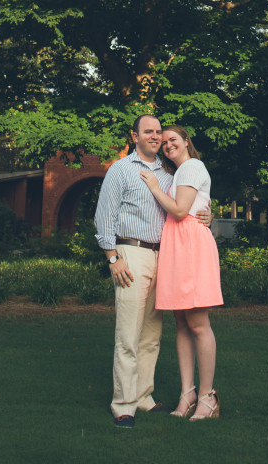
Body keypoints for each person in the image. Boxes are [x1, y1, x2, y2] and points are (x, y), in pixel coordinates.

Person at [94, 114, 211, 428]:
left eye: (159, 132)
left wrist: (206, 214)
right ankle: (123, 405)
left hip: (165, 256)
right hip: (130, 254)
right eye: (149, 132)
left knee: (151, 335)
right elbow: (104, 216)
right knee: (128, 334)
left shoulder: (169, 172)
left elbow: (187, 202)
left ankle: (144, 397)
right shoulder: (120, 170)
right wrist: (112, 258)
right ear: (135, 136)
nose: (156, 136)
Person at [140, 124, 223, 421]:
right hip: (177, 244)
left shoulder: (191, 167)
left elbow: (179, 210)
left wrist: (153, 187)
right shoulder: (179, 174)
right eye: (164, 143)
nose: (167, 145)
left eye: (173, 140)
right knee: (181, 321)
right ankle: (187, 392)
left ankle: (207, 396)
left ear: (187, 141)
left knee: (198, 322)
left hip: (190, 245)